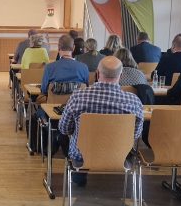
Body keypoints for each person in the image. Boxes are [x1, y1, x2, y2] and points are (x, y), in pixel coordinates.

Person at [59, 56, 144, 186]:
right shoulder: (134, 101)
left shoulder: (78, 96)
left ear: (97, 74)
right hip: (120, 155)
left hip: (82, 156)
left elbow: (64, 128)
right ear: (120, 76)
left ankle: (79, 176)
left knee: (66, 137)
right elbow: (136, 134)